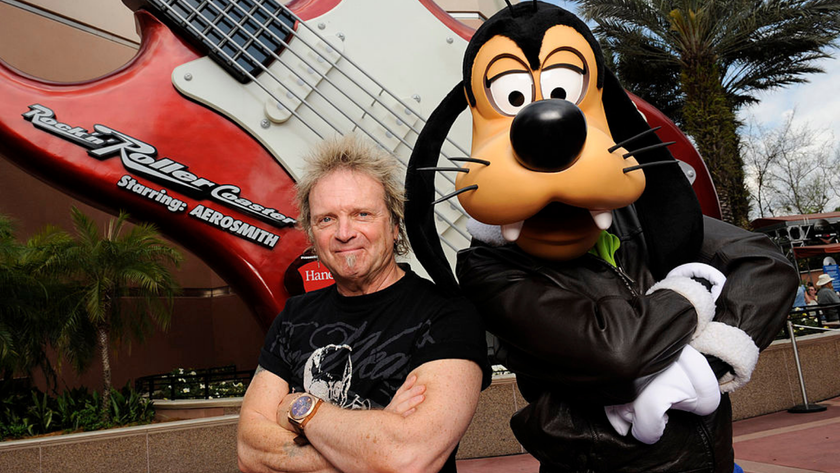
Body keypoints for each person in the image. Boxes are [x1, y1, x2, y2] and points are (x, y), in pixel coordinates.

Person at [237, 135, 490, 473]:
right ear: (312, 234)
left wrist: (302, 408)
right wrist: (373, 445)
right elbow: (251, 453)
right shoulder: (293, 317)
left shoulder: (446, 315)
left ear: (395, 226)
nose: (344, 232)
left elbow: (406, 458)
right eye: (327, 219)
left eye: (362, 214)